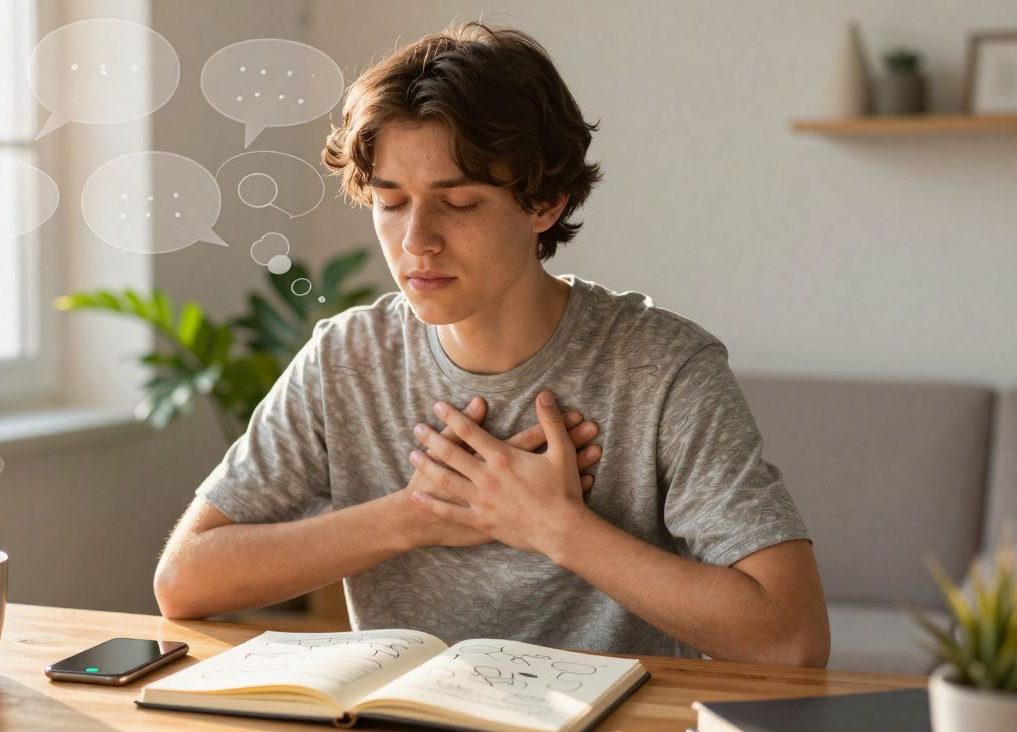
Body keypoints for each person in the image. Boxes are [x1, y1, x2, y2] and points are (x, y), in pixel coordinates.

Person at [154, 22, 830, 666]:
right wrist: (415, 515)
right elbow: (184, 581)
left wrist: (555, 527)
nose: (417, 240)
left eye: (459, 203)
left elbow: (792, 639)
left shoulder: (665, 368)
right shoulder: (347, 359)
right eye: (391, 202)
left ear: (546, 203)